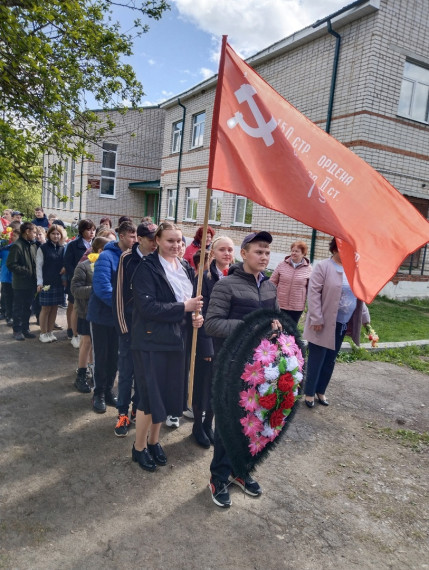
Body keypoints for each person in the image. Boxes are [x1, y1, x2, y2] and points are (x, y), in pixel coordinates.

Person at [204, 231, 281, 508]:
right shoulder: (227, 286)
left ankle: (240, 471)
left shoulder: (270, 287)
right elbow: (212, 324)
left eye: (267, 252)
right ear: (244, 254)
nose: (263, 257)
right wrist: (252, 325)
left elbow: (274, 320)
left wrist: (276, 329)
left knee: (252, 424)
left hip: (260, 370)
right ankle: (219, 476)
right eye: (258, 252)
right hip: (231, 367)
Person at [130, 221, 203, 472]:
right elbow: (147, 308)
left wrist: (195, 316)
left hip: (177, 339)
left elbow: (189, 302)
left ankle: (153, 442)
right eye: (170, 240)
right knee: (149, 397)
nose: (176, 245)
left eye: (179, 241)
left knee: (165, 394)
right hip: (150, 341)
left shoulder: (184, 266)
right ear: (157, 241)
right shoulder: (146, 268)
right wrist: (184, 308)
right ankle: (138, 448)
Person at [303, 237, 370, 408]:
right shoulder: (323, 267)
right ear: (334, 249)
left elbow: (359, 296)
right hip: (323, 323)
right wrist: (316, 318)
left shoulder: (353, 269)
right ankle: (309, 393)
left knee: (330, 359)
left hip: (342, 323)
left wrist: (366, 321)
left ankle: (321, 391)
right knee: (317, 358)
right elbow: (313, 293)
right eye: (343, 248)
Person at [112, 221, 157, 437]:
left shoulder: (159, 259)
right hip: (129, 326)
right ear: (139, 239)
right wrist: (123, 327)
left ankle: (137, 407)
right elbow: (119, 294)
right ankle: (122, 412)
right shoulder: (127, 258)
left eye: (157, 238)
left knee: (144, 373)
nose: (155, 243)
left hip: (149, 329)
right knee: (126, 370)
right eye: (150, 239)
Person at [87, 221, 137, 413]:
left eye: (136, 237)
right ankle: (98, 393)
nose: (135, 240)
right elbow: (102, 288)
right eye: (131, 236)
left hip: (121, 318)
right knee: (102, 356)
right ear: (122, 236)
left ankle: (108, 391)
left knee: (115, 357)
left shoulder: (133, 257)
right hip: (102, 316)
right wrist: (123, 307)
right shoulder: (106, 257)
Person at [190, 235, 235, 448]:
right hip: (209, 343)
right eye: (222, 249)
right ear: (213, 253)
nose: (227, 253)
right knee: (203, 386)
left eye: (230, 250)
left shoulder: (237, 277)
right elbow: (203, 313)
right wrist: (206, 346)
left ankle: (209, 424)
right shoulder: (205, 279)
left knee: (219, 387)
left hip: (230, 345)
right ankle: (197, 426)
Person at [71, 236, 111, 393]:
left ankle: (95, 372)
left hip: (103, 313)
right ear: (101, 250)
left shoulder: (110, 266)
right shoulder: (84, 266)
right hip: (87, 312)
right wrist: (96, 289)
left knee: (98, 345)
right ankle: (81, 374)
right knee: (86, 342)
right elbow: (75, 290)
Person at [63, 219, 96, 347]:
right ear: (82, 231)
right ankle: (73, 332)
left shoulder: (96, 244)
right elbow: (68, 263)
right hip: (77, 280)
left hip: (91, 280)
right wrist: (77, 273)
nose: (92, 232)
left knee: (85, 308)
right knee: (74, 307)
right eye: (88, 229)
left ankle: (82, 333)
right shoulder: (73, 245)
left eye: (93, 229)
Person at [6, 222, 38, 340]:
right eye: (34, 232)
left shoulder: (33, 245)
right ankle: (17, 330)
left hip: (31, 282)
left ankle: (25, 328)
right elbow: (11, 264)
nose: (35, 234)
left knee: (28, 307)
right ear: (27, 231)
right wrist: (26, 271)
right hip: (20, 283)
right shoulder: (17, 245)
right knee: (18, 308)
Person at [36, 224, 67, 343]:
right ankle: (43, 333)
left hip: (58, 282)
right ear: (49, 235)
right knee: (45, 308)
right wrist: (39, 282)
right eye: (53, 233)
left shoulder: (62, 248)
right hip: (46, 282)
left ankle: (50, 332)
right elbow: (38, 266)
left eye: (58, 234)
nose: (56, 236)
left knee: (54, 308)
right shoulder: (42, 248)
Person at [270, 240, 312, 324]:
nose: (293, 253)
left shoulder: (309, 269)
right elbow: (272, 282)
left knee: (291, 330)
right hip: (280, 304)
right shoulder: (282, 265)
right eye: (292, 250)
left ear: (303, 254)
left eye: (297, 251)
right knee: (277, 328)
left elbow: (310, 290)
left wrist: (310, 307)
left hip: (297, 307)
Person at [0, 228, 19, 326]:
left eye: (16, 236)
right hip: (6, 278)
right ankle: (9, 316)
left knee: (16, 299)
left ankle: (14, 316)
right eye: (13, 235)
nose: (13, 237)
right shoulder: (6, 248)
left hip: (18, 278)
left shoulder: (22, 248)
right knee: (8, 298)